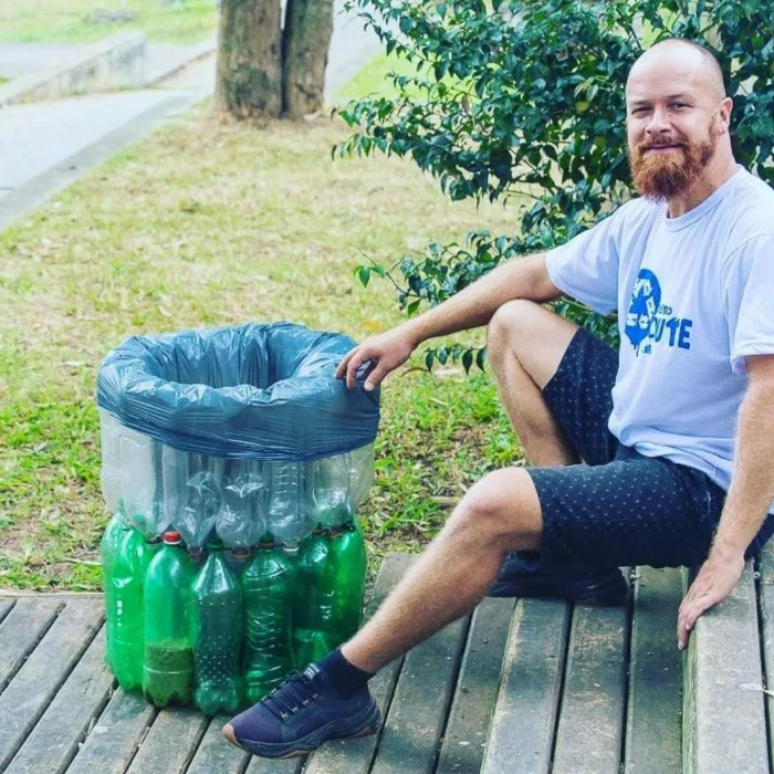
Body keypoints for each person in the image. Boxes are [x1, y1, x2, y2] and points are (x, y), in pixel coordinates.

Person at [223, 38, 774, 759]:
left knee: (493, 505)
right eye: (642, 110)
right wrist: (410, 333)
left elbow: (769, 397)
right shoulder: (652, 218)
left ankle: (338, 688)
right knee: (516, 325)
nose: (657, 124)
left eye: (679, 105)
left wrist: (729, 550)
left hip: (704, 488)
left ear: (723, 115)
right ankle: (568, 563)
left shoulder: (754, 231)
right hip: (641, 440)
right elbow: (530, 276)